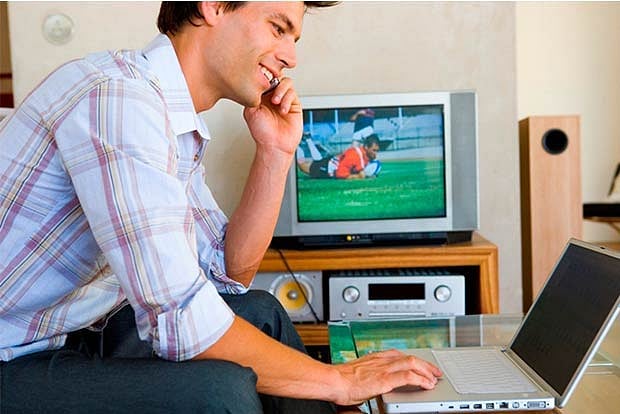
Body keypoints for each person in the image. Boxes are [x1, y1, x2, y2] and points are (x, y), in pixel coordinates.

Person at [0, 2, 442, 413]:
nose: (290, 57)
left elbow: (228, 274)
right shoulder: (117, 99)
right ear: (212, 5)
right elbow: (180, 316)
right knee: (221, 391)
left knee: (261, 312)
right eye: (278, 28)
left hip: (73, 333)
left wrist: (276, 152)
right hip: (12, 356)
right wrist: (337, 380)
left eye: (294, 39)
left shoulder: (169, 119)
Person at [298, 134, 381, 179]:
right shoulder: (355, 156)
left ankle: (308, 139)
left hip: (330, 163)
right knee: (302, 166)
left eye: (377, 151)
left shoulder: (365, 156)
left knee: (318, 160)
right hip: (327, 168)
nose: (376, 154)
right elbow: (340, 174)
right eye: (374, 150)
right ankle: (295, 145)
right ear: (366, 147)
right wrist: (357, 177)